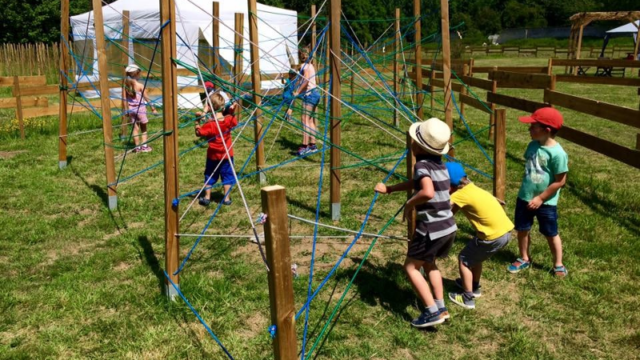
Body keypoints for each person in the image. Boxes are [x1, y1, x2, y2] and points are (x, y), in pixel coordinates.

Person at [374, 118, 457, 328]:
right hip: (448, 226)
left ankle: (431, 312)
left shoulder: (420, 165)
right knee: (430, 264)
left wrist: (409, 204)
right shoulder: (440, 165)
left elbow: (426, 191)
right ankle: (441, 306)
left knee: (411, 268)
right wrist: (391, 189)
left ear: (418, 146)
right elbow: (417, 183)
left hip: (431, 229)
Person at [507, 107, 569, 277]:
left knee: (551, 233)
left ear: (547, 130)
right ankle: (524, 258)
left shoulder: (558, 154)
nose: (529, 129)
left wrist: (541, 198)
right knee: (522, 229)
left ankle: (558, 264)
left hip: (546, 203)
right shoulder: (533, 145)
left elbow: (561, 181)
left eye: (534, 126)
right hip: (524, 198)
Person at [444, 162, 514, 310]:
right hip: (505, 232)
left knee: (464, 260)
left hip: (491, 237)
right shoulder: (473, 188)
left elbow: (445, 207)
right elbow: (454, 211)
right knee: (476, 257)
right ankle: (474, 286)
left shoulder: (459, 194)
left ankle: (467, 297)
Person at [194, 93, 238, 207]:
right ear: (223, 108)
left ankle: (207, 197)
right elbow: (234, 122)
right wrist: (232, 112)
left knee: (209, 174)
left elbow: (199, 133)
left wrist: (197, 122)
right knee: (227, 175)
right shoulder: (228, 120)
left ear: (209, 108)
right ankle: (227, 198)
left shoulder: (210, 124)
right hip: (227, 155)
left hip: (213, 156)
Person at [124, 64, 157, 152]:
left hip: (131, 109)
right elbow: (147, 98)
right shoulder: (140, 86)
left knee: (135, 129)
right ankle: (144, 147)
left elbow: (124, 99)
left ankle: (137, 147)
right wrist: (153, 108)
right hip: (140, 110)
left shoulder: (126, 86)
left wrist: (126, 110)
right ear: (136, 74)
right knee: (144, 129)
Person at [294, 48, 320, 156]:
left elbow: (306, 81)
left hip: (309, 95)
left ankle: (305, 146)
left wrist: (297, 92)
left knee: (304, 120)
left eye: (303, 54)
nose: (302, 56)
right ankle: (313, 145)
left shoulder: (305, 66)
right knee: (310, 120)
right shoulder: (311, 66)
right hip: (315, 94)